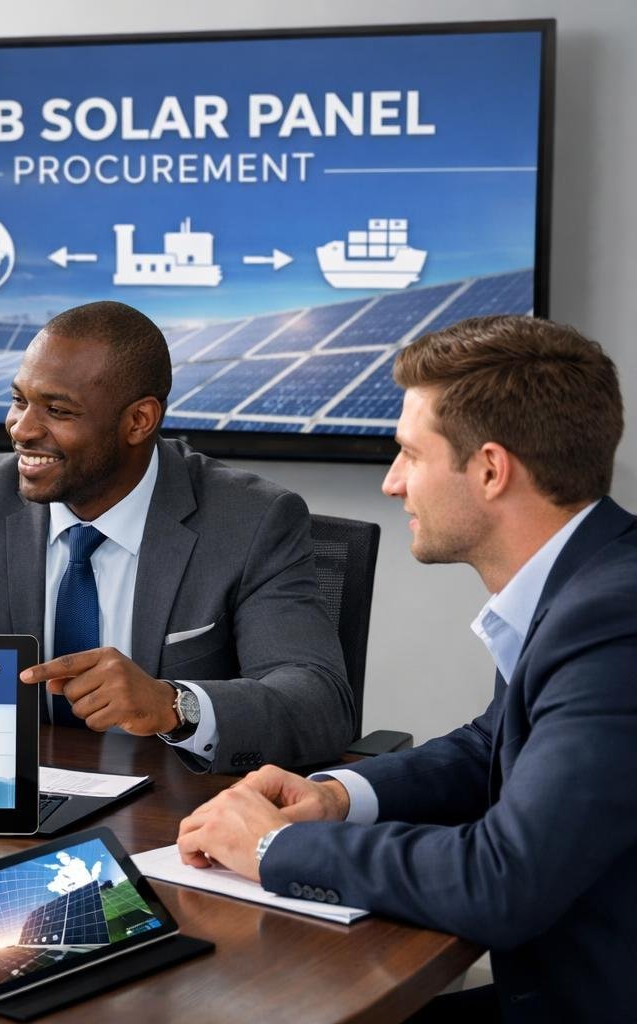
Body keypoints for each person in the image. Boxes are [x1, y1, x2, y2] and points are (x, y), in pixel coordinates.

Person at [175, 315, 635, 1019]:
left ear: (490, 469)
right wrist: (337, 797)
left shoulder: (611, 623)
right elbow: (492, 744)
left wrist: (276, 847)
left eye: (410, 455)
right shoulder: (588, 581)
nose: (393, 483)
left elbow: (501, 881)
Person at [0, 301, 353, 773]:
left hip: (174, 810)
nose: (21, 430)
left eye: (58, 410)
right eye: (19, 401)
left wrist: (172, 704)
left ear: (139, 421)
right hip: (8, 792)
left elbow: (318, 704)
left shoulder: (251, 520)